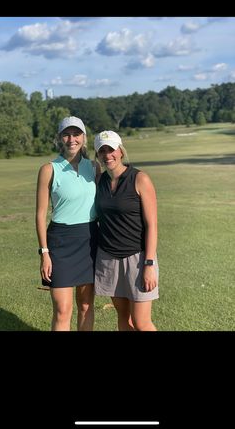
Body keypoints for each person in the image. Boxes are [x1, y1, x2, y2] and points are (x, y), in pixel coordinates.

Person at [36, 116, 100, 331]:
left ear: (84, 137)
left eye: (76, 134)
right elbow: (40, 214)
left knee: (85, 305)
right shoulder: (49, 169)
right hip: (60, 242)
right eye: (66, 134)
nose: (72, 139)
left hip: (89, 239)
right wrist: (44, 252)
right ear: (60, 138)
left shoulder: (94, 166)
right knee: (63, 309)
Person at [94, 130, 159, 331]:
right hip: (109, 258)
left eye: (111, 149)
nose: (107, 155)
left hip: (137, 259)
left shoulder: (140, 179)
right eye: (102, 151)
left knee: (141, 322)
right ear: (98, 155)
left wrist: (149, 264)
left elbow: (152, 225)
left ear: (120, 151)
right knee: (123, 318)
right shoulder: (100, 181)